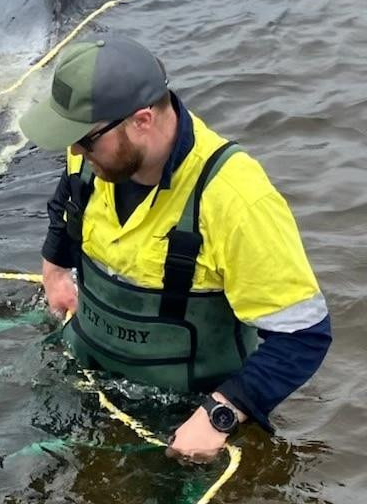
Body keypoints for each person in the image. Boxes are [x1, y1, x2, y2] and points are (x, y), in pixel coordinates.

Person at [18, 36, 331, 462]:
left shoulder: (235, 199)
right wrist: (54, 272)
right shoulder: (94, 156)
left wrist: (221, 413)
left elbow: (303, 336)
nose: (74, 151)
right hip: (89, 367)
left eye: (85, 141)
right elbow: (65, 207)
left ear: (142, 120)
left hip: (185, 414)